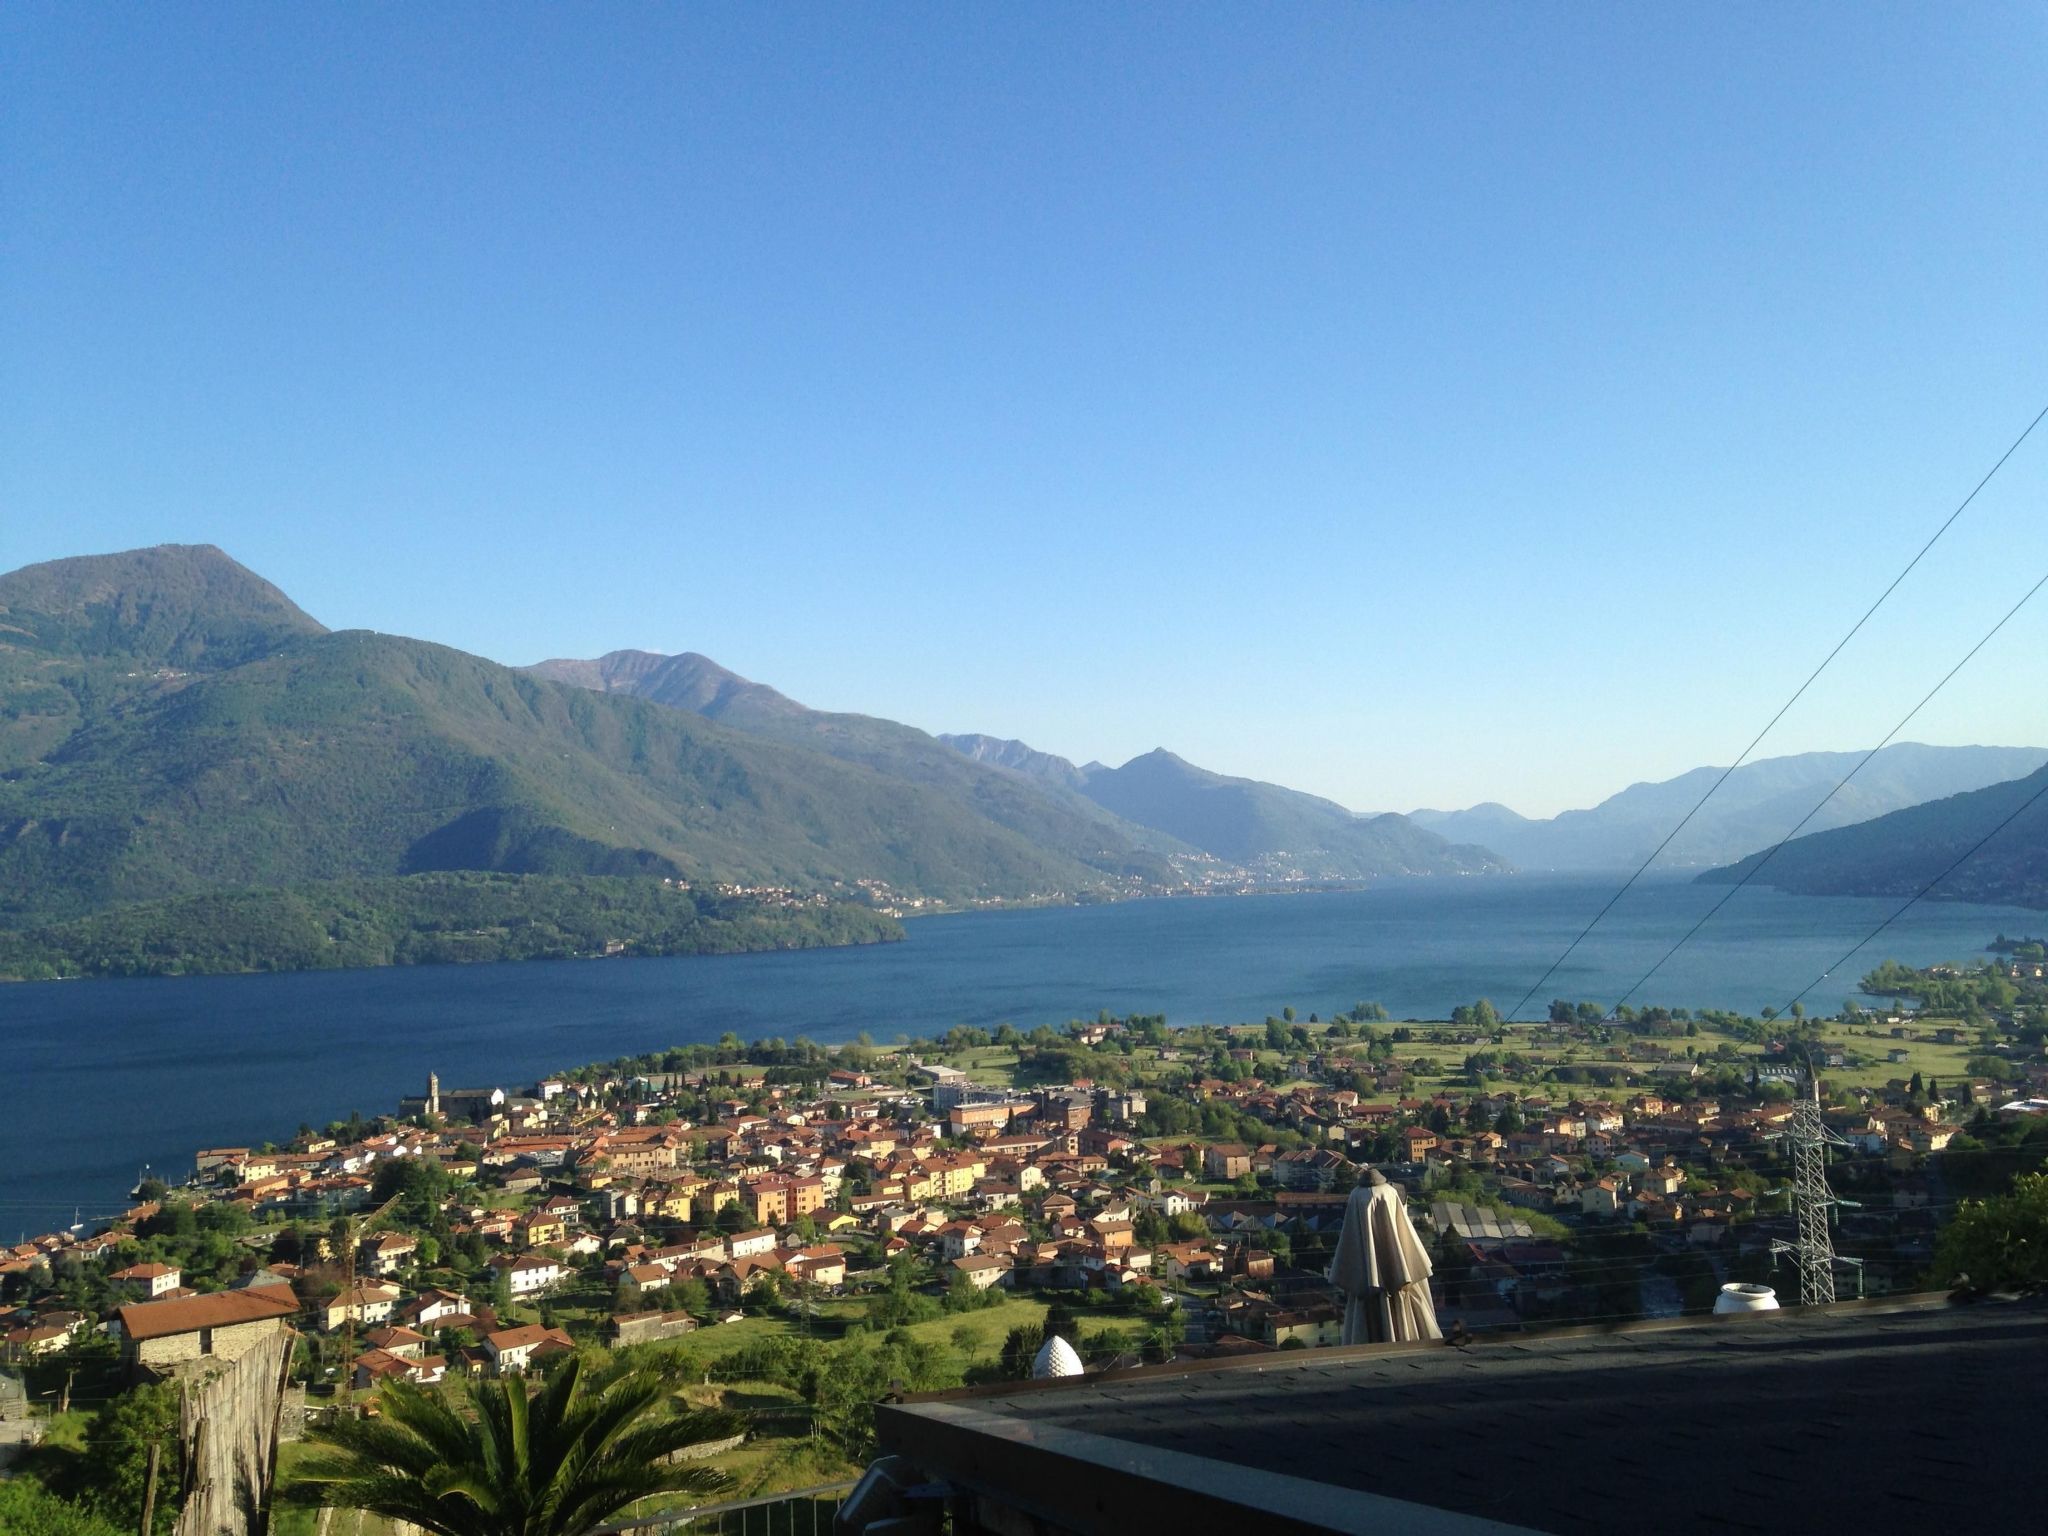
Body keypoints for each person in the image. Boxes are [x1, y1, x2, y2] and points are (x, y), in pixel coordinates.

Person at [1329, 1168, 1441, 1345]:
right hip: (1398, 1285)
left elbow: (1350, 1246)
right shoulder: (1388, 1193)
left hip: (1364, 1282)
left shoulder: (1357, 1196)